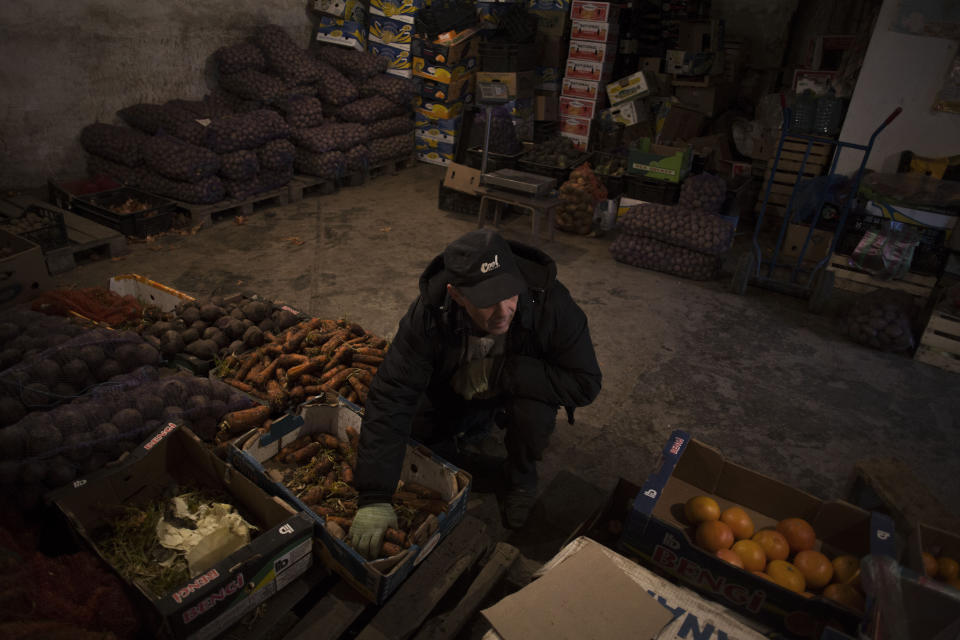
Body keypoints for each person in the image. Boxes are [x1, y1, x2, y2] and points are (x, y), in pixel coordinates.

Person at [348, 229, 602, 559]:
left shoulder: (550, 303)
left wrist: (499, 372)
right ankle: (461, 451)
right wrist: (374, 495)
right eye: (486, 301)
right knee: (414, 426)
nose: (503, 311)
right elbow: (392, 393)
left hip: (520, 391)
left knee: (533, 417)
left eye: (509, 294)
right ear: (457, 295)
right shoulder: (428, 315)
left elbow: (585, 383)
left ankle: (520, 477)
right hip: (455, 389)